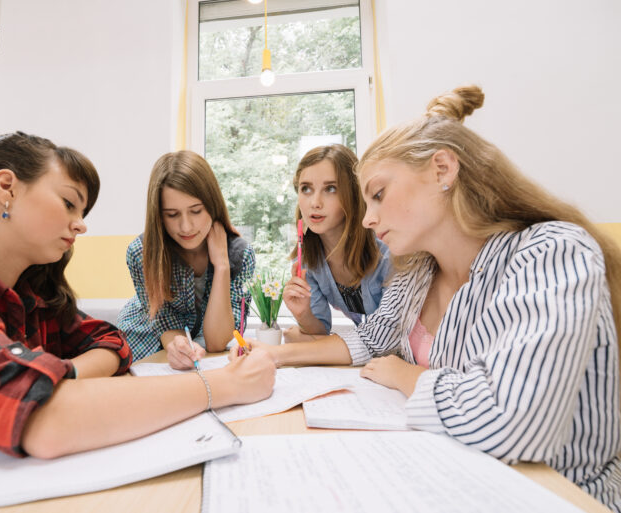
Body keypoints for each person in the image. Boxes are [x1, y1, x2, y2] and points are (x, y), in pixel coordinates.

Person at [232, 86, 621, 510]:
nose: (368, 219)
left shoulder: (551, 252)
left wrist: (406, 375)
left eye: (378, 194)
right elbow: (371, 340)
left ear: (442, 170)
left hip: (557, 494)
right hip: (456, 475)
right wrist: (274, 355)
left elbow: (512, 421)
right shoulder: (419, 271)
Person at [0, 133, 275, 483]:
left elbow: (112, 342)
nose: (81, 223)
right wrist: (227, 385)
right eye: (69, 203)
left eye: (82, 211)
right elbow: (43, 419)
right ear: (7, 188)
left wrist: (60, 375)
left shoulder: (35, 296)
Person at [118, 150, 255, 368]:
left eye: (196, 211)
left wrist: (221, 265)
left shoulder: (240, 255)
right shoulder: (140, 252)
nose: (186, 226)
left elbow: (217, 341)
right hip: (143, 342)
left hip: (204, 353)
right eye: (172, 215)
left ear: (212, 205)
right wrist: (179, 346)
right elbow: (164, 324)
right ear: (159, 216)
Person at [282, 145, 390, 342]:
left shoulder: (387, 252)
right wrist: (303, 313)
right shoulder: (308, 262)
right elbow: (320, 330)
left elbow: (387, 335)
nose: (315, 202)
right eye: (306, 189)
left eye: (330, 189)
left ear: (353, 194)